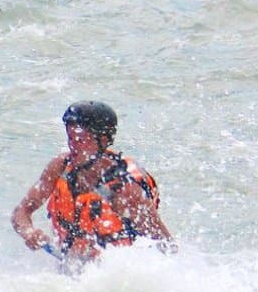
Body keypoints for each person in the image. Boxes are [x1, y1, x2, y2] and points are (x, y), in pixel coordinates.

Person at [11, 101, 173, 263]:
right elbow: (21, 212)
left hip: (115, 274)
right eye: (70, 139)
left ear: (102, 141)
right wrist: (30, 233)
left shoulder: (124, 191)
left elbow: (166, 244)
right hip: (70, 266)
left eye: (80, 141)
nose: (72, 147)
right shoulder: (60, 167)